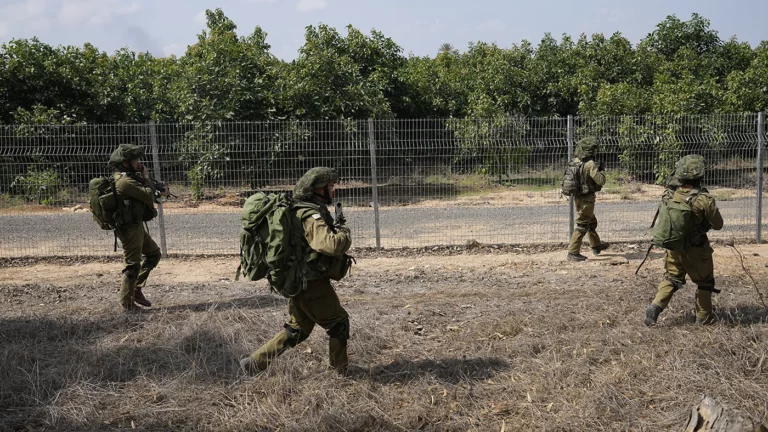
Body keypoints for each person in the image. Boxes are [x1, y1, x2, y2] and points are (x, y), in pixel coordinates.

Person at [241, 167, 352, 375]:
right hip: (311, 283)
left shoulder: (299, 208)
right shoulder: (311, 215)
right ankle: (340, 374)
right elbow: (330, 246)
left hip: (296, 281)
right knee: (338, 324)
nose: (333, 191)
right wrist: (344, 231)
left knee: (297, 329)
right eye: (330, 187)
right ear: (317, 190)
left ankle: (254, 364)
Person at [644, 155, 723, 326]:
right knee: (705, 282)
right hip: (696, 249)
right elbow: (718, 224)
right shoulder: (703, 199)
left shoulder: (669, 195)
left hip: (674, 247)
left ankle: (655, 306)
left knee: (672, 278)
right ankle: (704, 318)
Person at [109, 144, 168, 311]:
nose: (139, 162)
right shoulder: (124, 181)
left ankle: (136, 288)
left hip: (136, 225)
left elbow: (147, 192)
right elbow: (147, 194)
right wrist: (146, 176)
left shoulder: (130, 177)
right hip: (129, 229)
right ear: (126, 162)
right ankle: (127, 304)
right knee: (132, 265)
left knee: (153, 254)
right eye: (136, 159)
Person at [566, 137, 610, 261]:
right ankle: (573, 253)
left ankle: (596, 245)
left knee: (591, 222)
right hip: (587, 199)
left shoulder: (575, 161)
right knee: (583, 223)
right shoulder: (590, 164)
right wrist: (601, 170)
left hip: (578, 197)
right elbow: (601, 180)